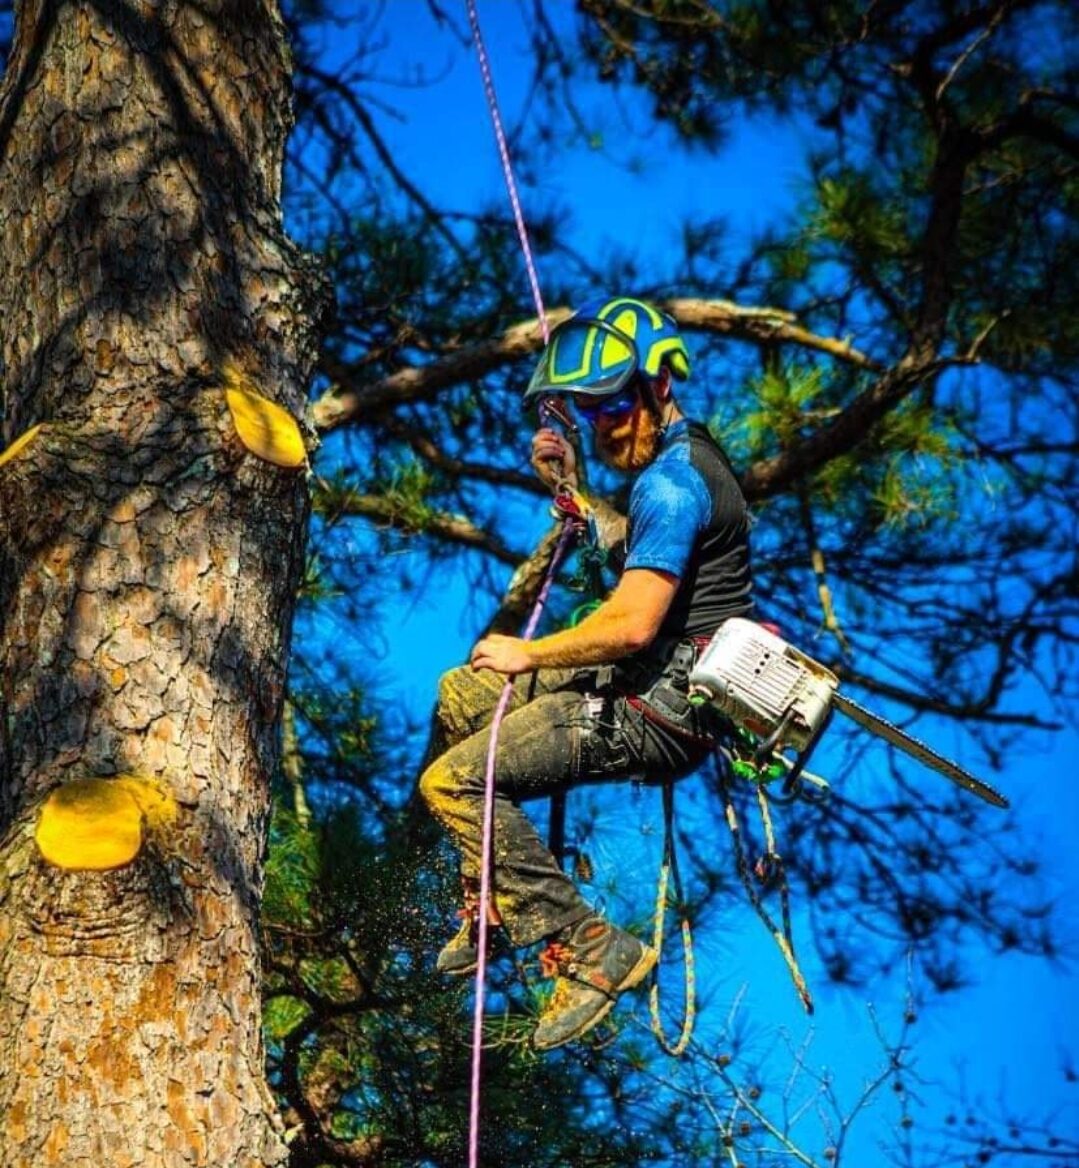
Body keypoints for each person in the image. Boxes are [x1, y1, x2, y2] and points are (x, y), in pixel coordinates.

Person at [418, 295, 755, 1051]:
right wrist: (567, 493)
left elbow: (632, 621)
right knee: (460, 693)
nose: (603, 424)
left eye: (613, 405)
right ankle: (493, 899)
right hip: (644, 681)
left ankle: (593, 950)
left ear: (658, 386)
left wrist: (529, 652)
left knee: (451, 783)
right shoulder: (669, 470)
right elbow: (630, 554)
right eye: (589, 409)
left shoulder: (673, 484)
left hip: (656, 709)